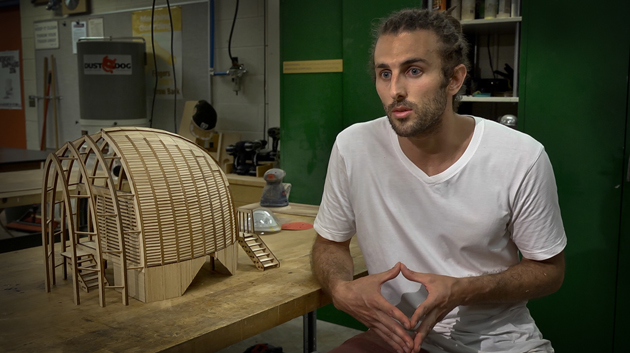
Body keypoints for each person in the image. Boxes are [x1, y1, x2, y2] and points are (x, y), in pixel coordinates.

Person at [311, 8, 566, 353]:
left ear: (455, 79)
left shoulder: (521, 157)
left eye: (413, 71)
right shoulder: (353, 146)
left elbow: (549, 271)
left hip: (496, 342)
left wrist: (462, 289)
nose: (395, 90)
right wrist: (341, 290)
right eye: (384, 73)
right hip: (398, 337)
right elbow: (330, 243)